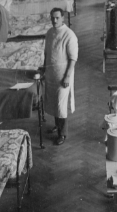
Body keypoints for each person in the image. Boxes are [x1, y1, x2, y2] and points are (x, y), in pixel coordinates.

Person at [41, 8, 77, 145]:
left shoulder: (69, 35)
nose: (54, 20)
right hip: (51, 74)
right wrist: (44, 68)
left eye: (57, 18)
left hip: (63, 75)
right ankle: (57, 126)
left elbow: (73, 59)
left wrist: (67, 76)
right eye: (52, 18)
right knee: (54, 102)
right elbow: (47, 53)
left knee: (61, 105)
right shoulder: (50, 33)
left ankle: (63, 134)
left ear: (63, 18)